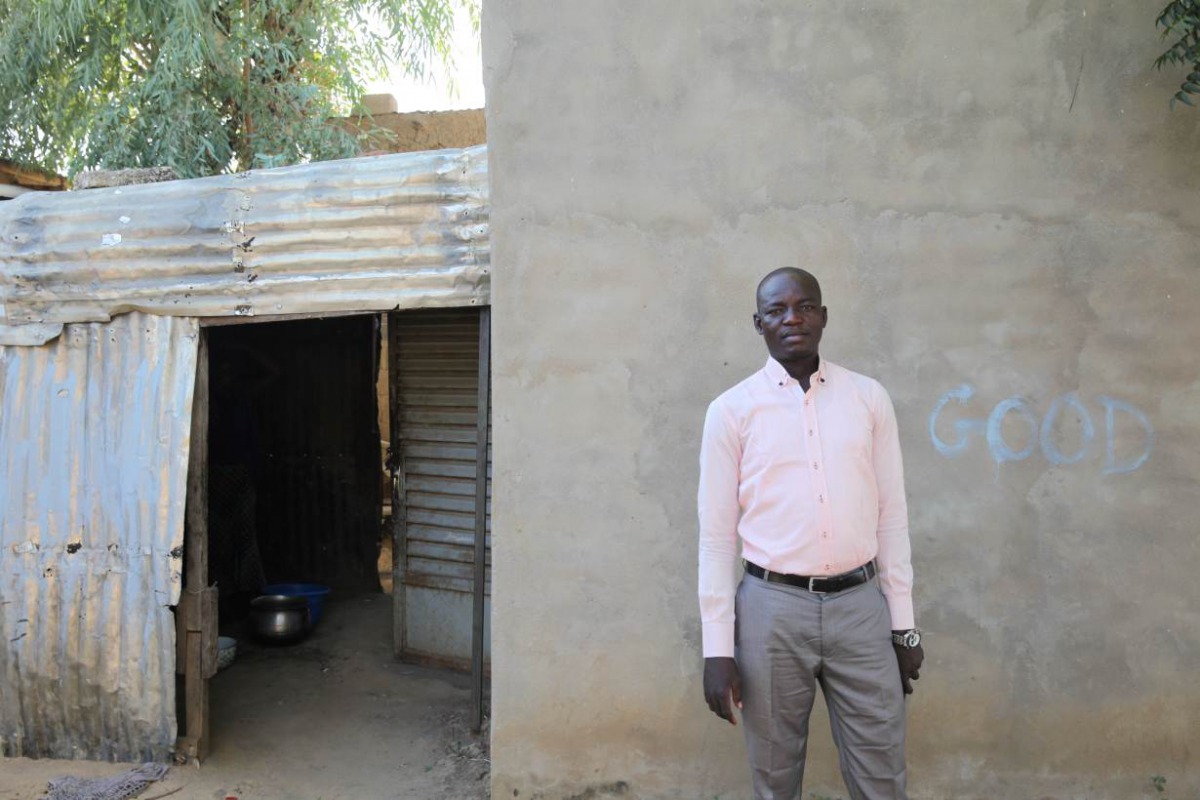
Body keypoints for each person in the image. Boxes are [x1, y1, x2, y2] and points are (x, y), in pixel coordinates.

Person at [698, 267, 925, 800]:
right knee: (775, 775)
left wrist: (904, 626)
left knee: (881, 769)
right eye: (776, 310)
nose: (792, 318)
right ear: (759, 324)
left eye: (805, 306)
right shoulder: (731, 411)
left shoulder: (868, 398)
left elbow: (892, 516)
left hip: (861, 607)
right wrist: (716, 648)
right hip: (770, 612)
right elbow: (715, 538)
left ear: (824, 316)